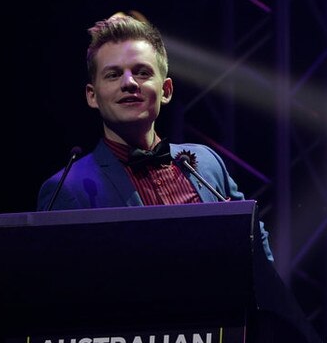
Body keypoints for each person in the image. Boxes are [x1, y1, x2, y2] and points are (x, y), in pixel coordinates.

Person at [37, 13, 273, 262]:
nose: (129, 83)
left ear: (166, 90)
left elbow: (256, 243)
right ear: (92, 96)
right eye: (113, 75)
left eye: (142, 72)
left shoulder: (206, 164)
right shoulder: (69, 188)